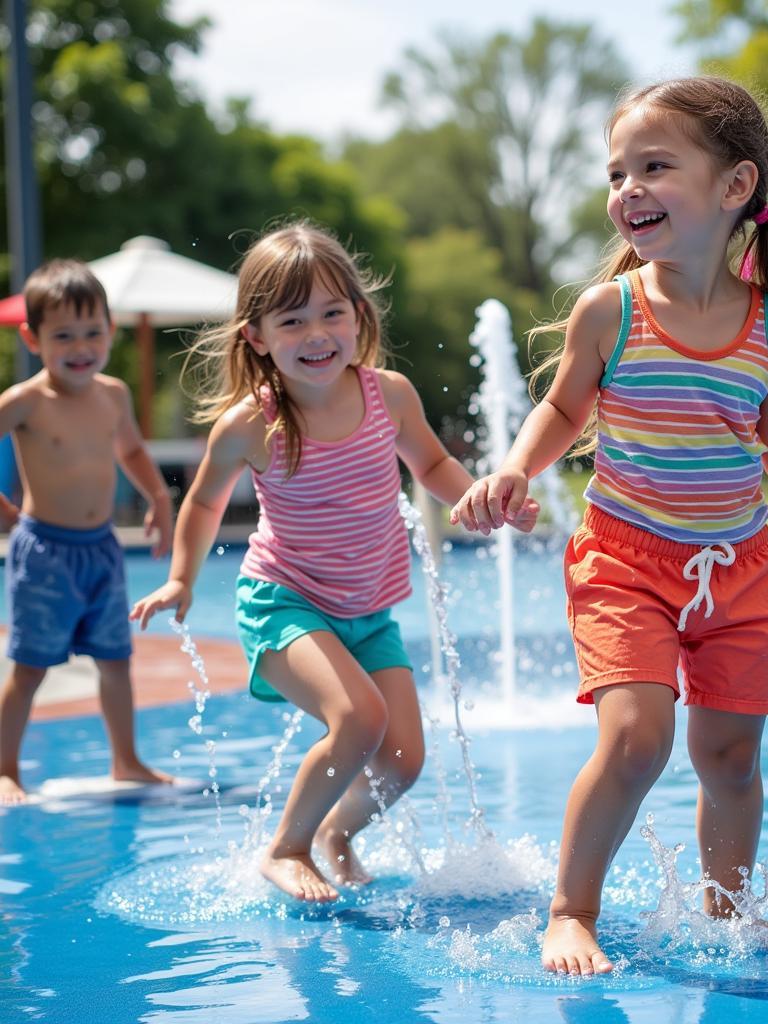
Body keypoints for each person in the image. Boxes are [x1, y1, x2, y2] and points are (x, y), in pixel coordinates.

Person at [451, 76, 768, 975]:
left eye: (654, 167)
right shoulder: (611, 311)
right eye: (617, 173)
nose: (627, 189)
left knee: (730, 756)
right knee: (636, 739)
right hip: (625, 560)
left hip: (739, 569)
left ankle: (728, 908)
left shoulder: (765, 326)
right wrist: (512, 467)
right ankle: (570, 910)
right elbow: (560, 409)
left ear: (734, 188)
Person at [130, 222, 537, 902]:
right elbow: (202, 505)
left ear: (359, 318)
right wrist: (180, 578)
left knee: (404, 756)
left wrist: (478, 498)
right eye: (292, 321)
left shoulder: (391, 396)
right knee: (358, 719)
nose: (316, 335)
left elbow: (431, 464)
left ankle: (335, 834)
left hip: (367, 611)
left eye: (331, 314)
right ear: (256, 337)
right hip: (283, 601)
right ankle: (285, 847)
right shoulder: (251, 425)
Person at [0, 259, 174, 804]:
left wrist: (160, 498)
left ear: (110, 329)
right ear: (33, 337)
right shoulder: (25, 401)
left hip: (101, 548)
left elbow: (131, 450)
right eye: (63, 336)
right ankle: (5, 768)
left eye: (92, 332)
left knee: (116, 659)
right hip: (45, 550)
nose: (81, 347)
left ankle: (127, 759)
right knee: (29, 666)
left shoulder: (114, 395)